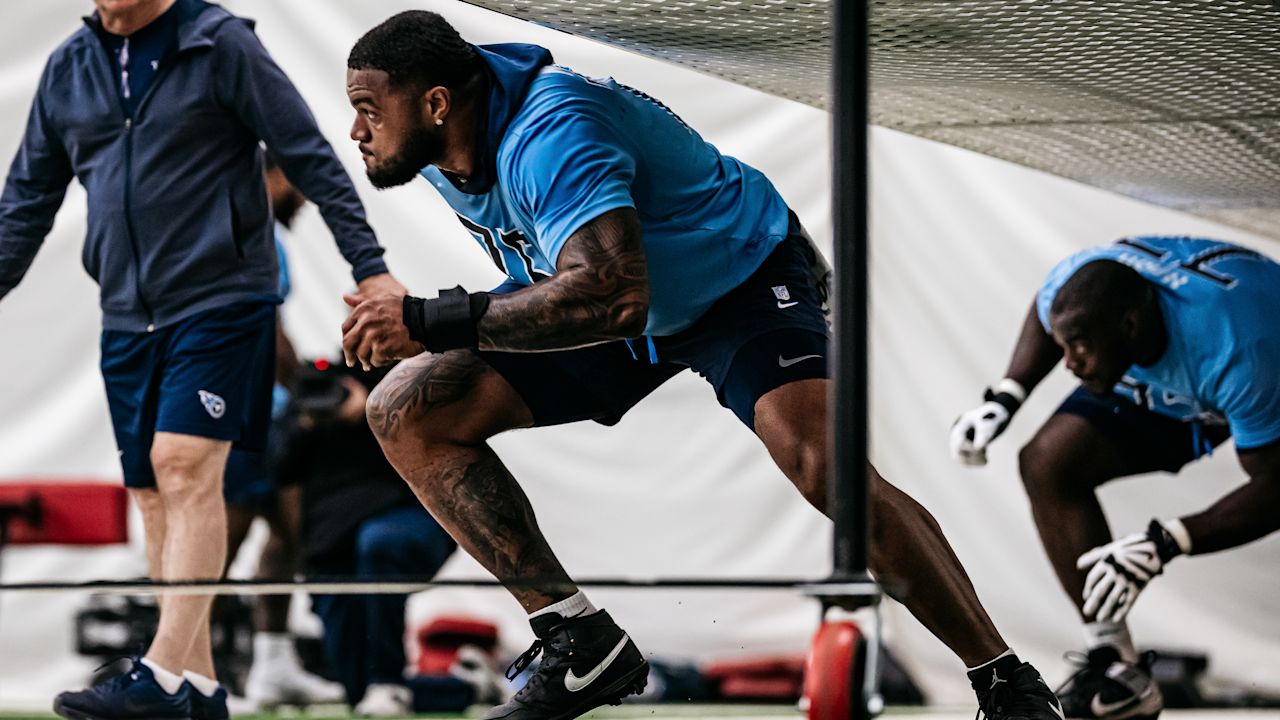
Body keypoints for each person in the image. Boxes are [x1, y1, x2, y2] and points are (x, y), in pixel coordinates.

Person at [336, 11, 1064, 720]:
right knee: (406, 411)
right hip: (616, 295)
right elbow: (589, 284)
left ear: (435, 103)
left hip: (734, 282)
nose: (356, 131)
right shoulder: (441, 136)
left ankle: (1006, 681)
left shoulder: (554, 131)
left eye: (368, 110)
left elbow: (613, 294)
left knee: (826, 469)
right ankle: (579, 642)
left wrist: (429, 320)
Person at [0, 1, 403, 718]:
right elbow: (27, 200)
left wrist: (369, 267)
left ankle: (157, 676)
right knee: (156, 492)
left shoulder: (219, 46)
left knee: (185, 466)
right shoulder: (69, 66)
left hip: (223, 299)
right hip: (126, 315)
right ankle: (201, 688)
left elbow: (308, 154)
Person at [950, 236, 1280, 720]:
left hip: (1237, 350)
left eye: (1080, 346)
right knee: (1047, 463)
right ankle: (1115, 666)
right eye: (1066, 346)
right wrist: (1006, 396)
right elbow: (1050, 317)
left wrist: (1164, 542)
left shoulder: (1240, 352)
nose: (1069, 363)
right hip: (1166, 352)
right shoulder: (1079, 283)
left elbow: (1275, 488)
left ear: (1129, 324)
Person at [220, 156, 345, 710]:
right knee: (219, 545)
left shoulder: (265, 236)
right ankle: (185, 666)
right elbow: (265, 331)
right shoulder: (250, 232)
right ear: (268, 176)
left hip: (268, 415)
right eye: (296, 183)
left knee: (291, 533)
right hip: (237, 414)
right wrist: (305, 387)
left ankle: (273, 662)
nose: (306, 196)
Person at [274, 360, 458, 716]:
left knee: (379, 542)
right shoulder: (306, 401)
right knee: (359, 692)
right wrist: (306, 424)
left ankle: (388, 680)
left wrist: (375, 413)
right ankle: (464, 687)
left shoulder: (423, 372)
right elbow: (279, 467)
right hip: (331, 544)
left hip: (406, 517)